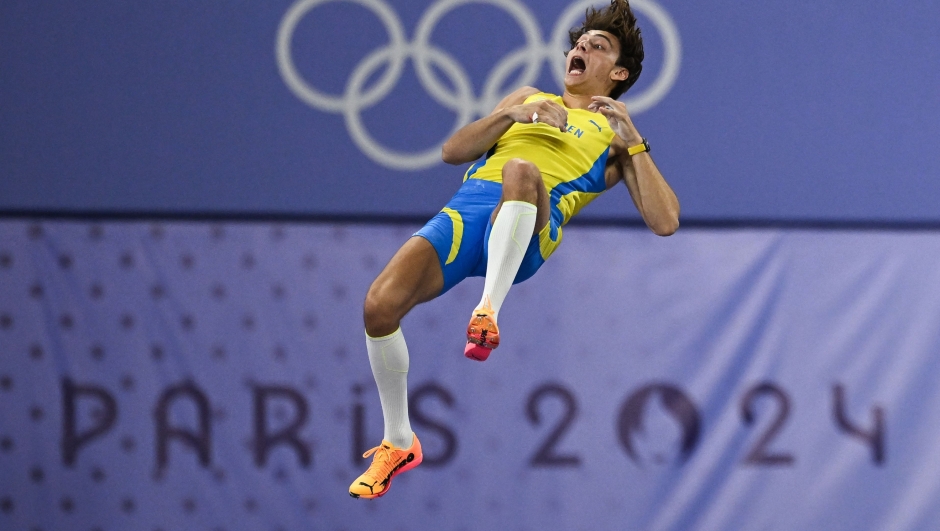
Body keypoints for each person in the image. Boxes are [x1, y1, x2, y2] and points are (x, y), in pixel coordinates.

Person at [348, 0, 680, 499]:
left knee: (521, 171)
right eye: (580, 42)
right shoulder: (528, 96)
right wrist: (512, 113)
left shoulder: (616, 139)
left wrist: (635, 143)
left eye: (599, 46)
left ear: (618, 72)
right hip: (467, 213)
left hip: (529, 229)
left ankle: (487, 311)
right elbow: (452, 151)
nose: (583, 47)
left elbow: (665, 221)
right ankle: (399, 441)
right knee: (379, 307)